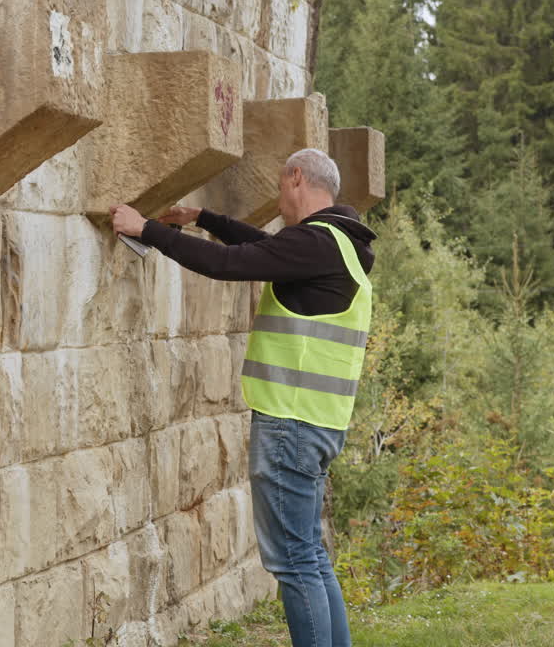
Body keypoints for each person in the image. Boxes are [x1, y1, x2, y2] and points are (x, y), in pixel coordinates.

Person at [109, 147, 375, 647]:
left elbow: (228, 264)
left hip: (290, 423)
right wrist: (205, 218)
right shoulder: (343, 246)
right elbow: (264, 249)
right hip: (319, 422)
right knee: (310, 555)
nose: (280, 198)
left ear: (296, 177)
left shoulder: (316, 242)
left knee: (294, 562)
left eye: (280, 186)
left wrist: (146, 229)